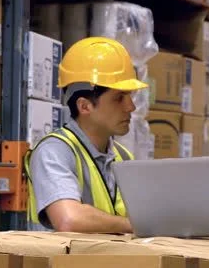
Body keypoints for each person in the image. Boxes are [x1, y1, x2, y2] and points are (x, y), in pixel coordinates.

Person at [25, 37, 147, 233]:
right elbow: (69, 219)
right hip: (60, 264)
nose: (131, 107)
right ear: (84, 106)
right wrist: (135, 226)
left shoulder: (124, 158)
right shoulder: (54, 152)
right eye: (119, 98)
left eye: (130, 96)